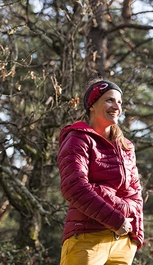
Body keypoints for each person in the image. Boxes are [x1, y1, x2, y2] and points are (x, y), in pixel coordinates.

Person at [58, 79, 143, 265]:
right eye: (109, 100)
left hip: (123, 242)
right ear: (92, 105)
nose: (116, 107)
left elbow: (136, 193)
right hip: (87, 236)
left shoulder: (126, 146)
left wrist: (136, 235)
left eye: (119, 102)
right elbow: (74, 188)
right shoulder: (77, 138)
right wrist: (116, 219)